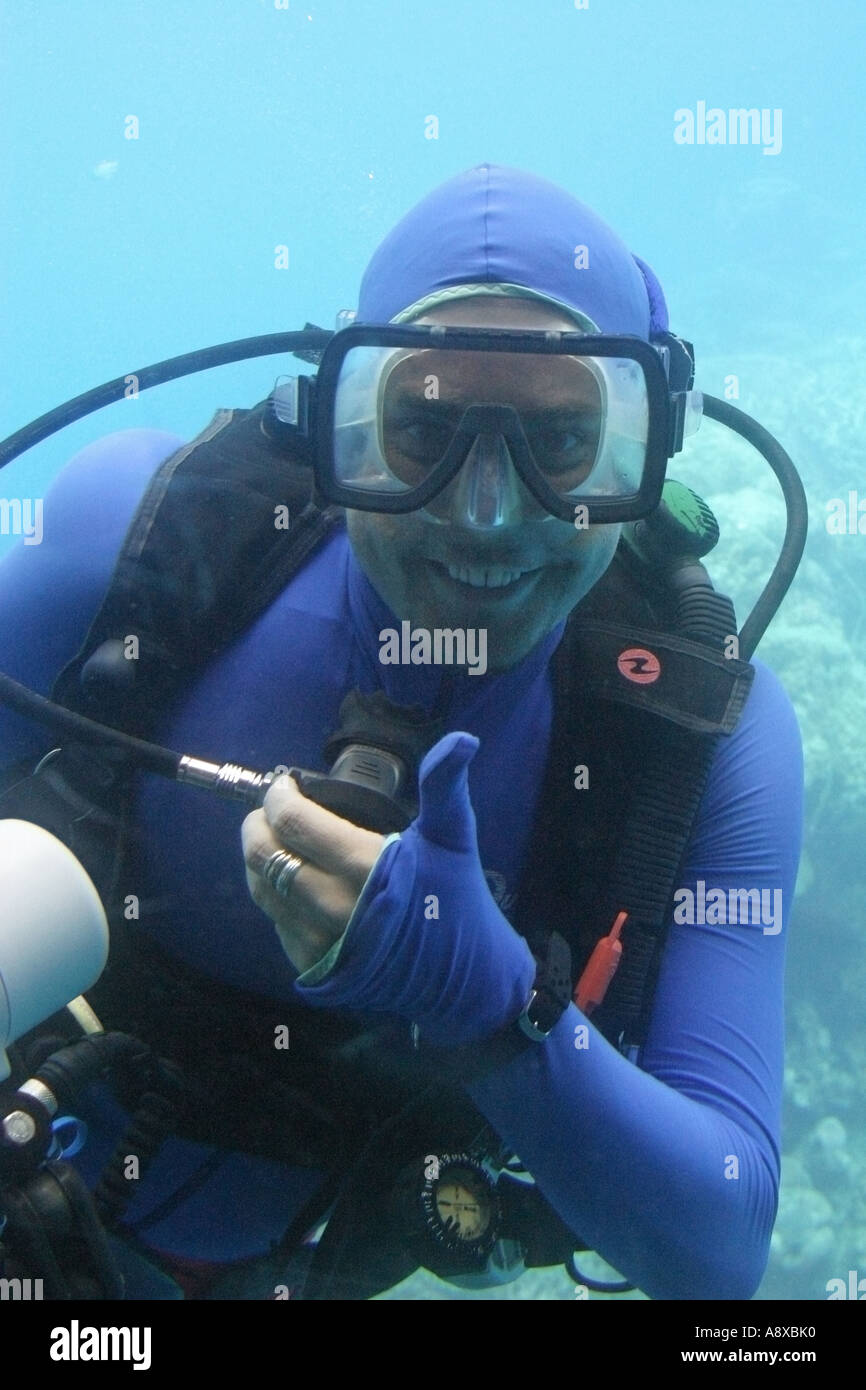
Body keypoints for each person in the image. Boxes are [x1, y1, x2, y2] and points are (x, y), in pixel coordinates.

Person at [0, 164, 802, 1300]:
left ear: (643, 449)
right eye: (423, 427)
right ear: (344, 420)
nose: (486, 515)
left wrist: (488, 1006)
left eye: (560, 442)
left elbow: (718, 1251)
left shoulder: (699, 738)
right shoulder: (138, 536)